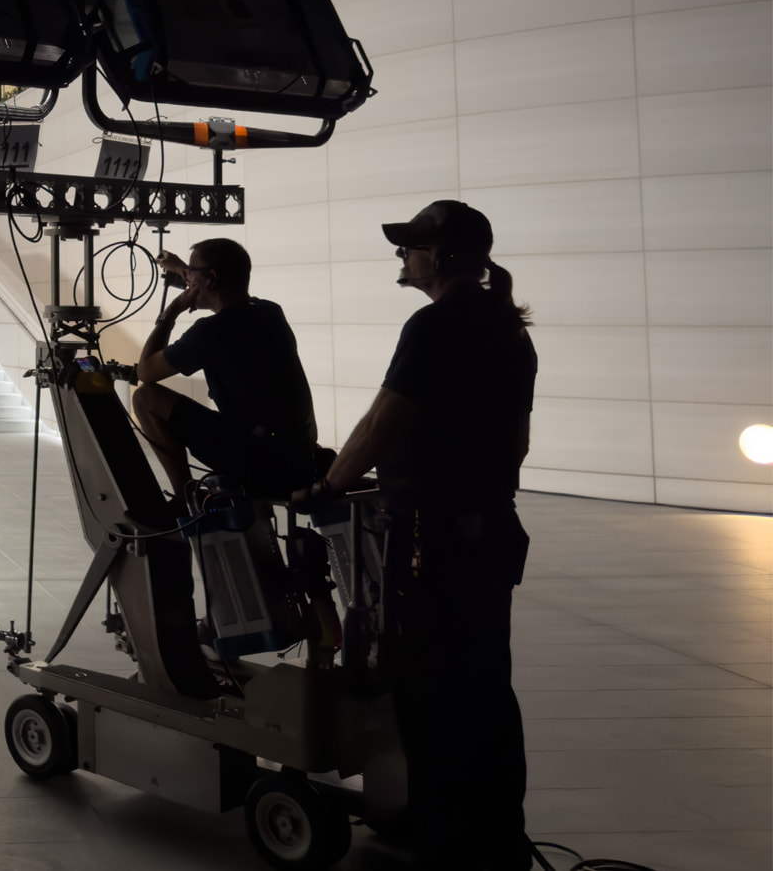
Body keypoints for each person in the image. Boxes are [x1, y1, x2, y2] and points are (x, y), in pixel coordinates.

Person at [310, 199, 537, 870]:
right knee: (486, 681)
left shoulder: (435, 324)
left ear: (440, 257)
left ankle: (445, 834)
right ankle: (496, 833)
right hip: (490, 529)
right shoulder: (507, 326)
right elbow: (516, 438)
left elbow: (384, 425)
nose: (403, 257)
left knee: (427, 684)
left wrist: (326, 486)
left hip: (431, 536)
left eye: (411, 247)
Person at [130, 237, 319, 500]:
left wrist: (171, 312)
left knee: (145, 398)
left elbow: (146, 372)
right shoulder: (270, 312)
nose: (189, 281)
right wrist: (185, 270)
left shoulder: (210, 332)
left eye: (192, 274)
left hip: (261, 461)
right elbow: (221, 285)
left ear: (211, 278)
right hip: (300, 455)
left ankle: (186, 499)